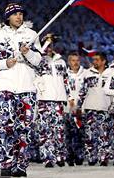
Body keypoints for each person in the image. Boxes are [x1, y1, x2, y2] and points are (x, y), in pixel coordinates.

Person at [0, 3, 42, 177]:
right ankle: (6, 163)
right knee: (7, 126)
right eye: (15, 14)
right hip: (5, 86)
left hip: (27, 86)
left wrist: (28, 53)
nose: (19, 17)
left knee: (25, 127)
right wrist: (4, 63)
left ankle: (21, 166)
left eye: (21, 14)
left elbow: (38, 61)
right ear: (8, 17)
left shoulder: (31, 35)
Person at [34, 36, 69, 168]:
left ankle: (59, 156)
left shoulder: (61, 61)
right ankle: (48, 158)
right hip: (44, 100)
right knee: (45, 131)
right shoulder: (38, 61)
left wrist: (68, 97)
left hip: (59, 99)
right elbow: (34, 78)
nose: (49, 48)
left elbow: (66, 80)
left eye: (51, 45)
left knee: (58, 130)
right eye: (46, 45)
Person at [77, 52, 112, 166]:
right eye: (93, 60)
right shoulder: (87, 73)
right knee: (90, 135)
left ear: (103, 61)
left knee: (104, 135)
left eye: (97, 60)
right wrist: (79, 106)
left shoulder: (111, 73)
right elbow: (82, 92)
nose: (94, 62)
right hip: (90, 108)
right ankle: (92, 158)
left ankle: (103, 158)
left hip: (106, 108)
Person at [64, 52, 86, 166]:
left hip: (81, 109)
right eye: (73, 60)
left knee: (80, 133)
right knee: (68, 133)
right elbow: (63, 88)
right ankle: (69, 156)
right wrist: (70, 99)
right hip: (67, 108)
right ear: (69, 62)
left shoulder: (85, 73)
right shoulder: (64, 74)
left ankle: (79, 156)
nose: (75, 63)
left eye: (77, 60)